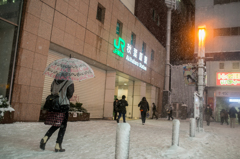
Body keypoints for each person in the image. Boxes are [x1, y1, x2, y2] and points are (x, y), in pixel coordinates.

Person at [40, 78, 74, 152]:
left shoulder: (55, 80)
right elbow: (70, 94)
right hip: (63, 105)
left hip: (55, 104)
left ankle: (45, 138)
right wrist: (63, 98)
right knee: (63, 126)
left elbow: (51, 90)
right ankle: (58, 145)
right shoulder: (69, 81)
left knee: (57, 124)